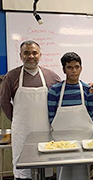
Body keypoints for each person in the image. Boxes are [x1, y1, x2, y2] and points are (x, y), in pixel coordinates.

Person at [0, 40, 61, 180]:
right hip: (22, 131)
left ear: (40, 55)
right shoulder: (11, 76)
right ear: (21, 56)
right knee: (23, 171)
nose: (31, 56)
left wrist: (90, 88)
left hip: (45, 130)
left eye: (34, 53)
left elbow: (64, 94)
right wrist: (18, 120)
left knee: (45, 168)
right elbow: (4, 102)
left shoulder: (51, 76)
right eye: (26, 53)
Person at [48, 52, 93, 130]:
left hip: (84, 136)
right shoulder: (55, 90)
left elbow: (91, 114)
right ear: (64, 70)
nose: (74, 71)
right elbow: (51, 116)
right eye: (69, 67)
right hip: (60, 137)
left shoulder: (88, 90)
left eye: (77, 67)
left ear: (81, 68)